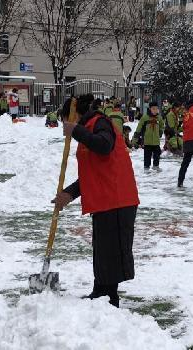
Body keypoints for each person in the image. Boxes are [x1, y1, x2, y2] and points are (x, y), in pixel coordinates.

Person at [52, 94, 139, 308]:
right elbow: (93, 173)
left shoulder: (100, 123)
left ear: (73, 116)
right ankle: (100, 292)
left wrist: (76, 130)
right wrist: (69, 194)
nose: (64, 126)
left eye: (65, 121)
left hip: (117, 198)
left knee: (111, 251)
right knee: (102, 250)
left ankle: (110, 299)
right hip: (104, 198)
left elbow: (104, 145)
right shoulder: (88, 128)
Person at [134, 102, 164, 171]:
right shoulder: (145, 117)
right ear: (150, 109)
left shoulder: (159, 117)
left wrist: (160, 132)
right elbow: (140, 126)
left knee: (157, 154)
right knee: (147, 154)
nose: (155, 110)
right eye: (153, 109)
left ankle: (156, 165)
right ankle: (146, 166)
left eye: (156, 109)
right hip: (147, 140)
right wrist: (137, 134)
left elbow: (162, 125)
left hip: (156, 140)